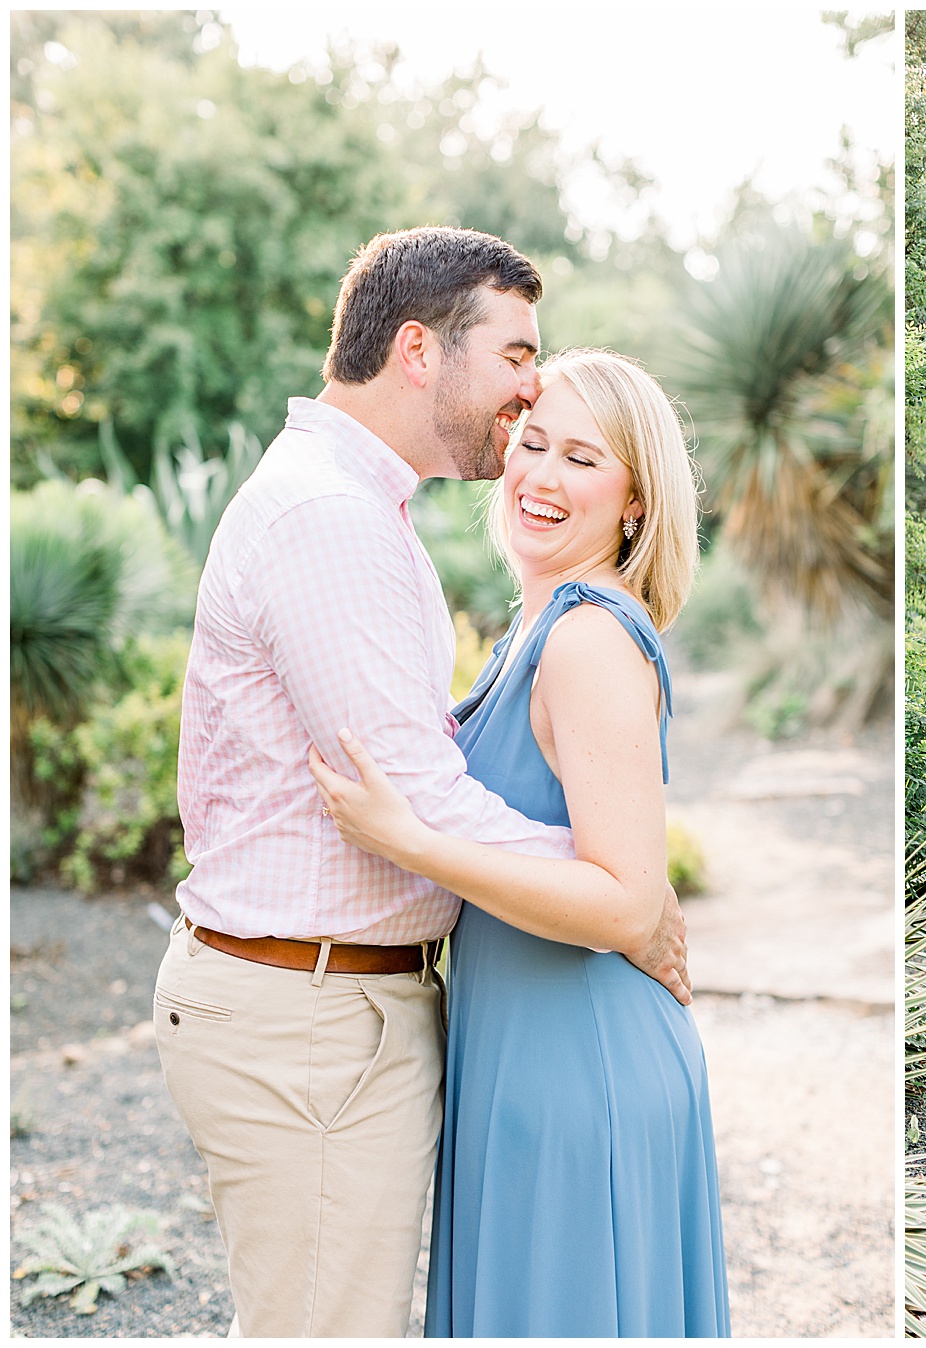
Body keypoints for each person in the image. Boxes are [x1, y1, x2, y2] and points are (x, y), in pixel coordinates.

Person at [153, 227, 689, 1338]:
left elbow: (419, 803)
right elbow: (419, 804)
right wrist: (630, 902)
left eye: (579, 452)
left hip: (412, 1022)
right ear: (416, 349)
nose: (528, 391)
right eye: (515, 363)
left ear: (637, 499)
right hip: (312, 1021)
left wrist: (625, 890)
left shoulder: (374, 519)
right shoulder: (334, 519)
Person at [308, 348, 731, 1335]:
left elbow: (626, 900)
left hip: (578, 1074)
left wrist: (409, 840)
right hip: (522, 1062)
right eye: (532, 444)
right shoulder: (528, 636)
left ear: (637, 502)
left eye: (583, 459)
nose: (541, 477)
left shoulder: (588, 640)